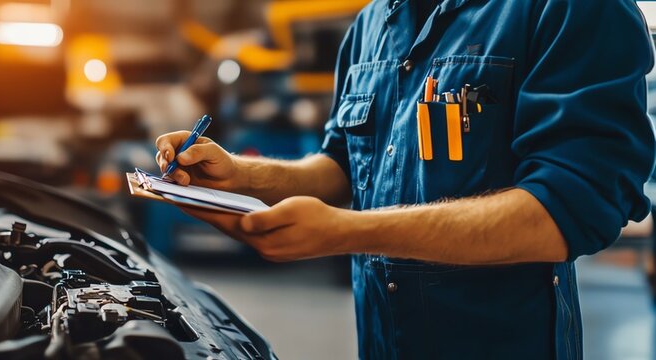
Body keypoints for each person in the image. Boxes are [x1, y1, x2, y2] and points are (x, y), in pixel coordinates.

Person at [154, 0, 656, 358]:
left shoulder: (573, 9)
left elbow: (565, 213)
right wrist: (242, 174)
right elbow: (343, 165)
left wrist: (346, 232)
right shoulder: (373, 23)